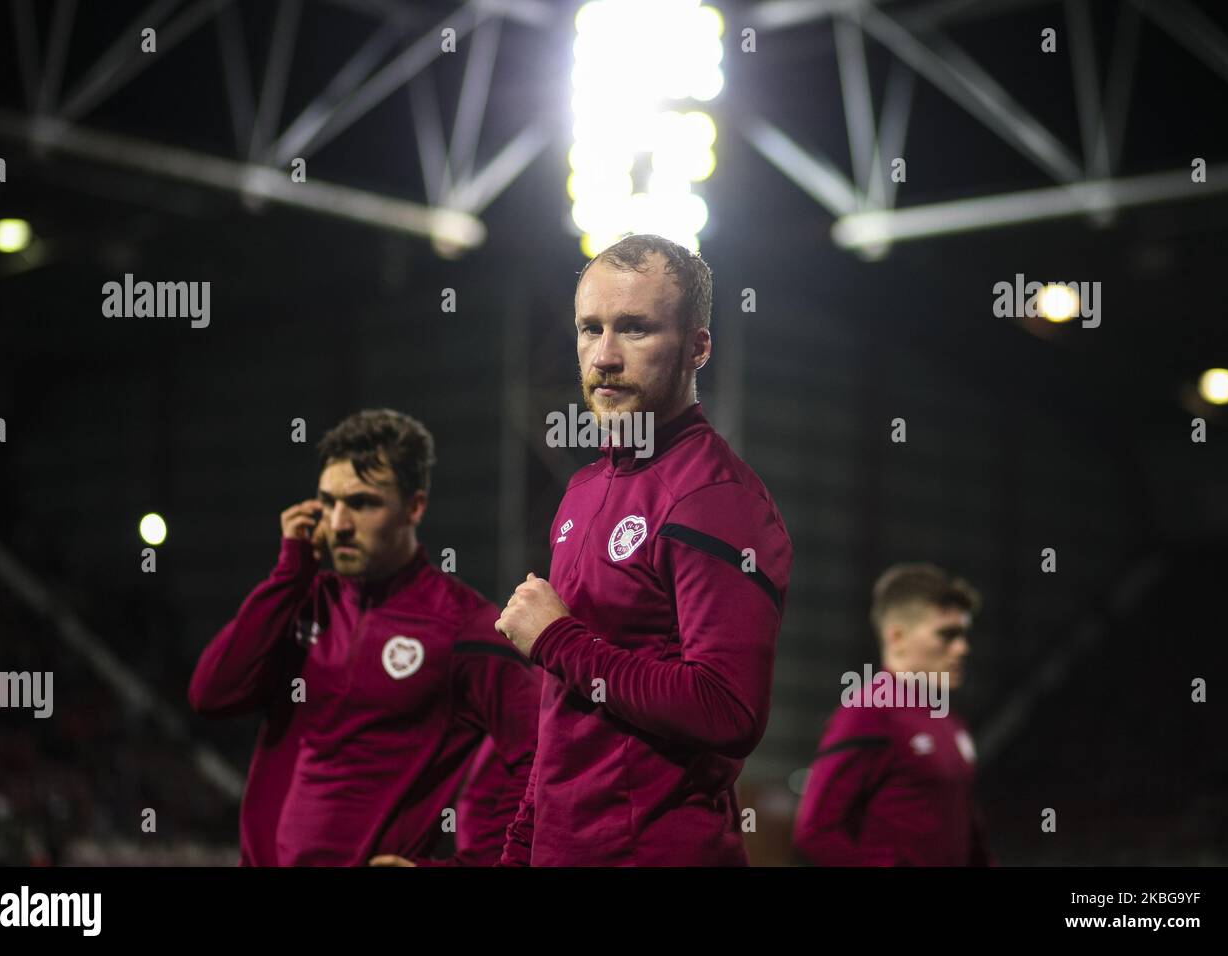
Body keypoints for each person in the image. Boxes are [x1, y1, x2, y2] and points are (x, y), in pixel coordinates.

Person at [494, 234, 793, 865]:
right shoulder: (582, 490)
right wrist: (522, 845)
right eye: (588, 328)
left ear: (698, 347)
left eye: (634, 329)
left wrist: (558, 641)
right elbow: (565, 715)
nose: (603, 356)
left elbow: (727, 707)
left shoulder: (715, 497)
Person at [188, 408, 539, 865]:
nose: (338, 524)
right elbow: (211, 695)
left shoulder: (463, 626)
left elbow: (540, 754)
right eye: (328, 501)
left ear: (414, 507)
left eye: (362, 503)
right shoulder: (304, 600)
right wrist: (288, 574)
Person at [793, 562, 994, 866]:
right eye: (947, 635)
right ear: (897, 637)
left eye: (964, 635)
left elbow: (970, 836)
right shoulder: (868, 712)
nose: (962, 648)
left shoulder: (953, 725)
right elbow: (815, 831)